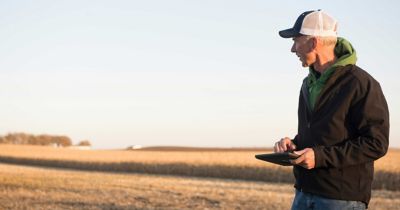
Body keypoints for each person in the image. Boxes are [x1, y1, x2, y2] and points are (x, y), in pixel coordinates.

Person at [274, 10, 389, 210]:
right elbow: (323, 134)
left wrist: (320, 157)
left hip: (340, 199)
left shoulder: (360, 83)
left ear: (313, 42)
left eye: (296, 40)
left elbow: (376, 143)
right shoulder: (307, 84)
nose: (293, 49)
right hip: (303, 193)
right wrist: (294, 144)